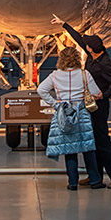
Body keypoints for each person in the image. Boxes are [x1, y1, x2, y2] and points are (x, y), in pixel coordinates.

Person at [52, 16, 111, 189]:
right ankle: (96, 176)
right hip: (90, 105)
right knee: (91, 141)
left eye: (87, 45)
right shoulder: (95, 54)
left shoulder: (105, 64)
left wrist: (102, 95)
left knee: (102, 142)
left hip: (99, 107)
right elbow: (78, 38)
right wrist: (63, 24)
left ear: (91, 49)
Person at [37, 47, 104, 190]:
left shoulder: (55, 75)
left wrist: (55, 104)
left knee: (69, 149)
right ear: (77, 59)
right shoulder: (84, 74)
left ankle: (72, 182)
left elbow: (41, 89)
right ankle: (95, 180)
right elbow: (97, 93)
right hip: (81, 112)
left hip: (63, 112)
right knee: (88, 147)